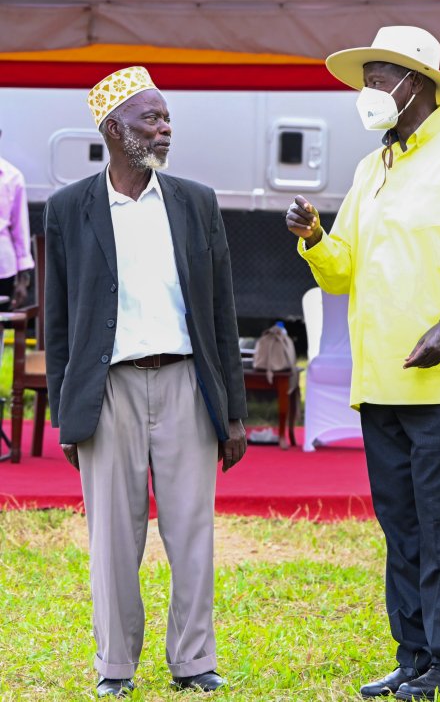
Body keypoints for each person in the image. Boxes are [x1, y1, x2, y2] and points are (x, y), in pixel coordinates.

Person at [286, 26, 440, 701]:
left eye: (378, 76)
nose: (367, 91)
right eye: (364, 77)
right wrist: (315, 239)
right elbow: (342, 273)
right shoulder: (372, 168)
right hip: (382, 380)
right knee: (403, 528)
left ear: (414, 82)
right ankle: (415, 654)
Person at [44, 66, 248, 698]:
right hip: (108, 393)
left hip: (186, 384)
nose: (163, 130)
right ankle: (115, 667)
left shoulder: (195, 202)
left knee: (191, 532)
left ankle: (193, 663)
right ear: (113, 128)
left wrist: (233, 413)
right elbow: (57, 323)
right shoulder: (68, 208)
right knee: (112, 539)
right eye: (150, 119)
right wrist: (66, 415)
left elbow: (221, 310)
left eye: (166, 119)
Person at [0, 131, 34, 308]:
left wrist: (23, 279)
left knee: (3, 324)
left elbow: (20, 229)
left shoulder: (12, 177)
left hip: (3, 268)